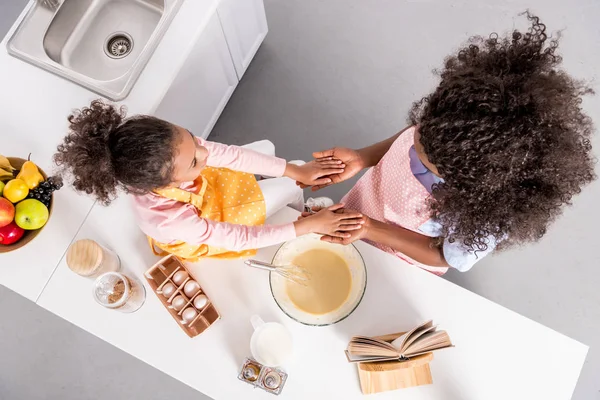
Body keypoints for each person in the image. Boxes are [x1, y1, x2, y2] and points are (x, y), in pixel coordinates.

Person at [301, 13, 596, 275]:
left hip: (398, 258)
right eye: (419, 139)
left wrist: (369, 228)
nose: (414, 148)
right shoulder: (445, 131)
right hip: (362, 210)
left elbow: (442, 255)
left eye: (423, 157)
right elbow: (411, 136)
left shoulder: (488, 215)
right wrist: (361, 157)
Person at [54, 100, 365, 261]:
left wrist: (294, 171)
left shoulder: (176, 149)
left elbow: (228, 155)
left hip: (207, 189)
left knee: (270, 151)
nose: (204, 152)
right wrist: (305, 227)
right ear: (166, 185)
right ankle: (303, 211)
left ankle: (297, 201)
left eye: (192, 138)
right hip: (209, 221)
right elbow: (240, 237)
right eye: (194, 161)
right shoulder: (169, 220)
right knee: (290, 179)